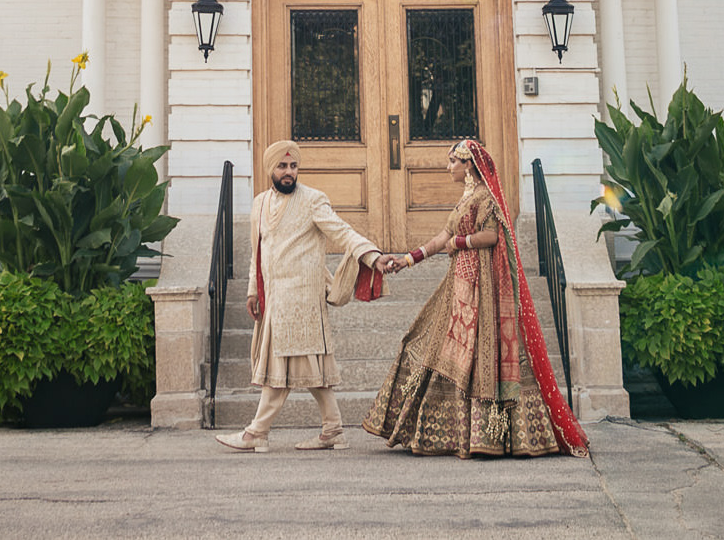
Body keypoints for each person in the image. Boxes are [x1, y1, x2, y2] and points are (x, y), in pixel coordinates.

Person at [363, 137, 589, 458]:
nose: (449, 167)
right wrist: (408, 259)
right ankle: (447, 435)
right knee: (425, 342)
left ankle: (490, 436)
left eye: (453, 161)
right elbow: (442, 237)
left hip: (482, 288)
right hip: (458, 286)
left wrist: (461, 241)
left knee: (479, 356)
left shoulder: (486, 198)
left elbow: (491, 236)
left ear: (469, 164)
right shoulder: (465, 200)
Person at [215, 140, 395, 454]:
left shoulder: (313, 200)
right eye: (282, 166)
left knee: (281, 366)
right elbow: (256, 253)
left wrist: (371, 255)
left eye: (293, 166)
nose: (288, 172)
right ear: (269, 169)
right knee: (312, 367)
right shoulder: (259, 203)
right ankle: (333, 429)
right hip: (274, 297)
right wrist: (253, 290)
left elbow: (341, 231)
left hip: (301, 300)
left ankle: (256, 432)